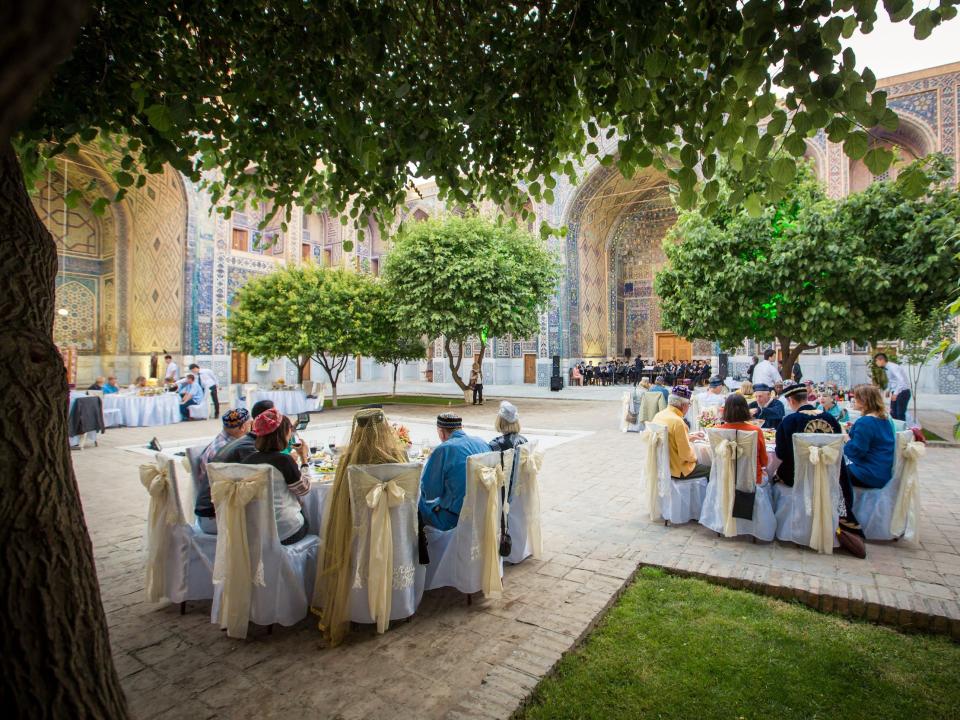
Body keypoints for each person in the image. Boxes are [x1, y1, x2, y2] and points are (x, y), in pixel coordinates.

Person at [313, 407, 409, 646]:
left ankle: (357, 606)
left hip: (358, 532)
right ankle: (398, 603)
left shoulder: (349, 463)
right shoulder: (399, 460)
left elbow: (339, 505)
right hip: (395, 534)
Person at [773, 384, 864, 554]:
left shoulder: (789, 421)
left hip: (796, 477)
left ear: (791, 401)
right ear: (807, 398)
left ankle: (790, 527)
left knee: (773, 477)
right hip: (829, 476)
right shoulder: (831, 419)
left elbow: (781, 454)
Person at [242, 408, 311, 544]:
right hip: (286, 531)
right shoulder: (283, 460)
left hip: (257, 530)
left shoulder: (247, 460)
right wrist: (304, 459)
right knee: (310, 515)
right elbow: (304, 489)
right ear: (283, 434)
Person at [419, 413, 490, 530]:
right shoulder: (482, 443)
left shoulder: (444, 450)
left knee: (418, 500)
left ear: (441, 432)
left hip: (453, 519)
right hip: (483, 511)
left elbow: (429, 491)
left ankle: (420, 546)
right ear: (461, 428)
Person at [194, 409, 251, 534]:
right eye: (249, 424)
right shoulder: (227, 449)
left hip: (210, 510)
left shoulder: (224, 442)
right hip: (214, 514)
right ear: (243, 428)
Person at [651, 386, 710, 480]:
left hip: (663, 465)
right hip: (678, 469)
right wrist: (696, 457)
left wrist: (690, 437)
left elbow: (670, 439)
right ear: (683, 405)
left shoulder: (659, 415)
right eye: (689, 405)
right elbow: (685, 454)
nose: (688, 408)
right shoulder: (678, 421)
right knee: (712, 470)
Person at [843, 384, 895, 490]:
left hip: (868, 473)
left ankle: (844, 505)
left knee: (831, 471)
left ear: (864, 401)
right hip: (882, 472)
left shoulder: (865, 422)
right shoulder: (884, 419)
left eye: (856, 397)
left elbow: (856, 452)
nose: (853, 399)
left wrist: (845, 436)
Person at [717, 393, 768, 484]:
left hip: (725, 477)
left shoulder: (717, 431)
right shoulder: (755, 430)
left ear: (726, 410)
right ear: (745, 409)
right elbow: (764, 461)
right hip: (751, 477)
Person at [874, 352, 911, 421]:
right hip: (897, 391)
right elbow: (892, 380)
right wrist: (888, 390)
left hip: (902, 392)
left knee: (900, 414)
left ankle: (902, 430)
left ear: (881, 360)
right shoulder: (887, 368)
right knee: (893, 413)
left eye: (876, 361)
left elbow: (901, 381)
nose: (876, 363)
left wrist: (895, 393)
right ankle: (895, 429)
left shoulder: (893, 367)